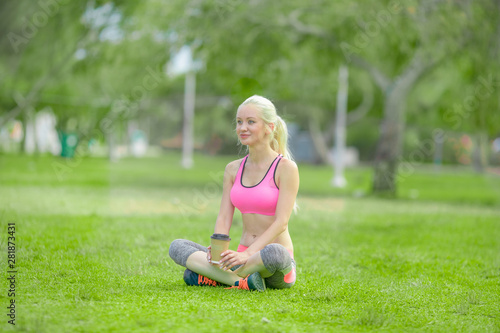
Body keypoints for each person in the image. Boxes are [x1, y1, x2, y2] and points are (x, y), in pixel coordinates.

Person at [169, 95, 299, 291]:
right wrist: (219, 252)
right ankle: (242, 281)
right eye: (239, 122)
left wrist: (248, 255)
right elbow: (223, 216)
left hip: (267, 261)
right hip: (240, 256)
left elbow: (281, 222)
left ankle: (217, 276)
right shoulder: (232, 169)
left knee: (275, 253)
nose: (242, 127)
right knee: (177, 246)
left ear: (269, 127)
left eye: (250, 122)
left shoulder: (286, 168)